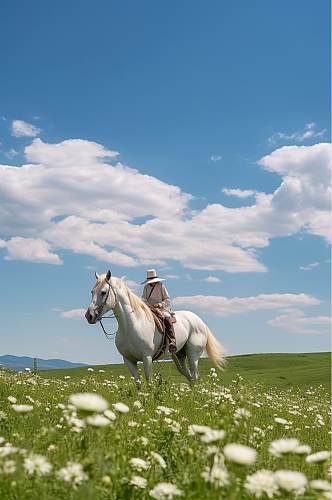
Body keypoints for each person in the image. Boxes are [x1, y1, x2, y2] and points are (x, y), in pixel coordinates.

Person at [141, 269, 177, 353]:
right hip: (149, 309)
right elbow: (143, 299)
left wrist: (159, 305)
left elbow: (167, 300)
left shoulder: (161, 286)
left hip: (161, 308)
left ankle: (172, 341)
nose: (150, 282)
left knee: (166, 318)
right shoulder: (146, 287)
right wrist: (148, 306)